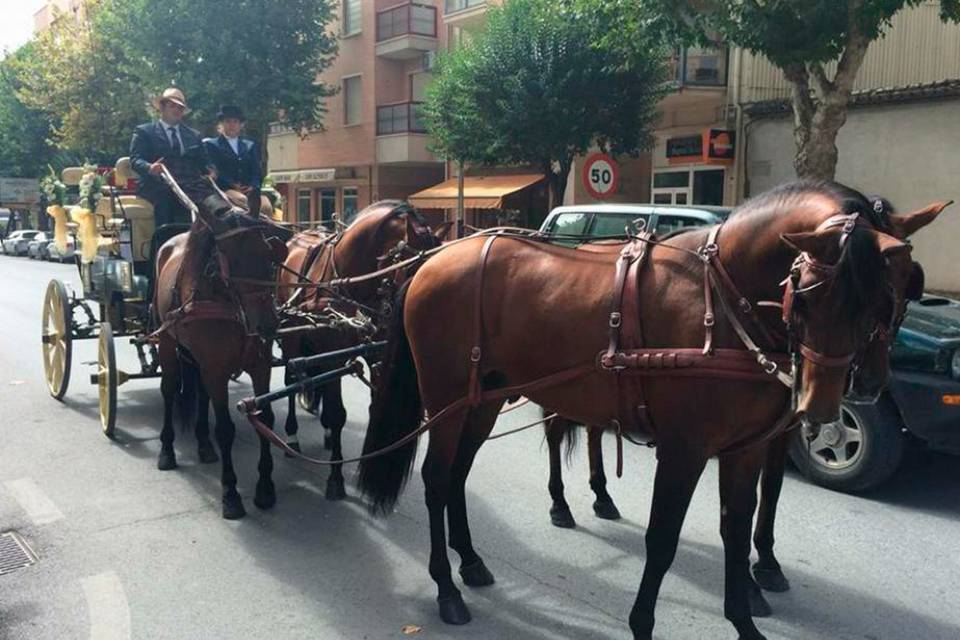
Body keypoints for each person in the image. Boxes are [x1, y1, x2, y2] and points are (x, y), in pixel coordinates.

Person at [129, 88, 216, 226]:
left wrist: (211, 172)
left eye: (180, 107)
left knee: (213, 203)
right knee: (166, 200)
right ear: (162, 107)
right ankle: (164, 241)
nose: (177, 110)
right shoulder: (144, 132)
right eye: (172, 106)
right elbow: (135, 160)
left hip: (191, 184)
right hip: (158, 184)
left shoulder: (194, 135)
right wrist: (150, 167)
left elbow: (205, 163)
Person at [204, 105, 262, 195]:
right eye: (228, 122)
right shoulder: (212, 145)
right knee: (241, 200)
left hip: (249, 190)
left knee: (266, 206)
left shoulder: (249, 146)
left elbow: (256, 171)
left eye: (235, 122)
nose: (232, 125)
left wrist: (253, 186)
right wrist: (232, 185)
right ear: (222, 124)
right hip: (225, 190)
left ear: (240, 125)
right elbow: (215, 170)